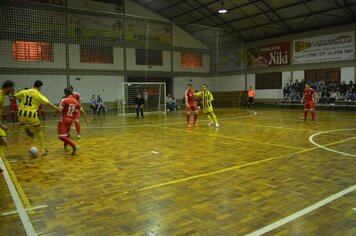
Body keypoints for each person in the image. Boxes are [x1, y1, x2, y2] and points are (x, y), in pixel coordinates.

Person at [15, 80, 60, 156]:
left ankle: (25, 127)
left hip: (20, 113)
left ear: (34, 85)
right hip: (31, 114)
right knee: (39, 131)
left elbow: (14, 97)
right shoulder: (39, 94)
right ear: (39, 87)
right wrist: (57, 109)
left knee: (22, 123)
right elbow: (49, 104)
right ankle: (43, 149)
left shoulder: (25, 91)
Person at [58, 88, 82, 155]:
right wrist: (86, 118)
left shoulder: (64, 100)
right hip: (70, 120)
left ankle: (74, 146)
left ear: (65, 93)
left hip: (63, 120)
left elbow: (60, 109)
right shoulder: (75, 101)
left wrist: (53, 107)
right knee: (66, 134)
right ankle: (66, 145)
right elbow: (81, 109)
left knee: (61, 136)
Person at [0, 81, 15, 172]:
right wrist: (1, 125)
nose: (11, 90)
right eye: (11, 88)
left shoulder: (3, 96)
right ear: (7, 87)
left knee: (4, 141)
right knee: (3, 141)